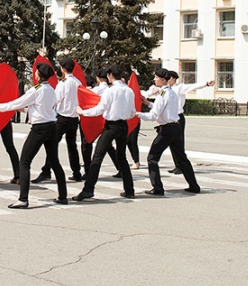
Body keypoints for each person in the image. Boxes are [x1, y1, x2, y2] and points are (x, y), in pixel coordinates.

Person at [0, 62, 68, 209]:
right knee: (54, 162)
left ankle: (23, 198)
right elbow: (37, 108)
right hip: (52, 127)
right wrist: (21, 109)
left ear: (38, 75)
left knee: (24, 162)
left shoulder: (35, 90)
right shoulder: (51, 90)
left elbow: (16, 103)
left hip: (39, 129)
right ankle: (63, 196)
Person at [74, 64, 136, 201]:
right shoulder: (129, 91)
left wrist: (82, 112)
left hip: (111, 126)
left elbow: (99, 109)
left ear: (110, 75)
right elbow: (132, 112)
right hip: (123, 126)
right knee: (122, 157)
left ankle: (88, 189)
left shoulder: (110, 91)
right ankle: (129, 190)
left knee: (97, 156)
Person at [136, 68, 189, 196]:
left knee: (152, 158)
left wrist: (136, 114)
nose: (154, 80)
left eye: (156, 78)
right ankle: (194, 185)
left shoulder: (162, 94)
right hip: (175, 127)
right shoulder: (171, 93)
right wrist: (148, 103)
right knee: (182, 158)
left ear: (163, 80)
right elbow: (164, 109)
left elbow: (154, 116)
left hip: (166, 130)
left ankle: (158, 188)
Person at [32, 58, 82, 183]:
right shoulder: (78, 82)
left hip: (62, 117)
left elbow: (56, 99)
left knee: (52, 145)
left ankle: (46, 171)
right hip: (74, 118)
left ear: (63, 69)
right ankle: (76, 172)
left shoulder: (64, 83)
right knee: (72, 146)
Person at [165, 72, 213, 184]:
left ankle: (181, 166)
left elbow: (193, 86)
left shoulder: (179, 88)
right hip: (171, 118)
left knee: (179, 143)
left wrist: (206, 84)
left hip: (178, 117)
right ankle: (177, 165)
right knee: (172, 143)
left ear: (172, 78)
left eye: (168, 78)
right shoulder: (167, 89)